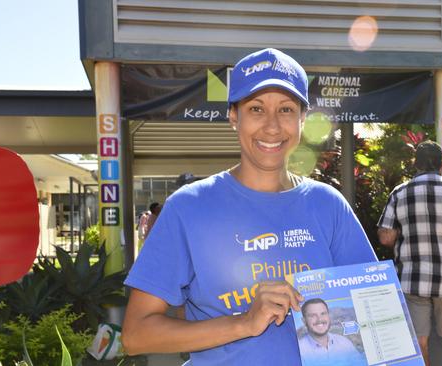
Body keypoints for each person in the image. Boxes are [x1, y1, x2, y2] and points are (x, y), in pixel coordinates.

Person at [121, 48, 377, 366]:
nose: (272, 126)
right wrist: (244, 323)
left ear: (302, 120)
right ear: (233, 117)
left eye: (285, 109)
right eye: (256, 109)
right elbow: (136, 335)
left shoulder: (329, 205)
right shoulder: (188, 208)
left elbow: (375, 312)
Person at [377, 141, 442, 366]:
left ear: (416, 164)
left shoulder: (400, 193)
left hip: (412, 280)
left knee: (418, 341)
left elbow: (386, 237)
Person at [298, 298, 361, 365]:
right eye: (313, 315)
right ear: (304, 321)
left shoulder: (344, 342)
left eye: (323, 314)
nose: (319, 319)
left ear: (328, 316)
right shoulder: (300, 352)